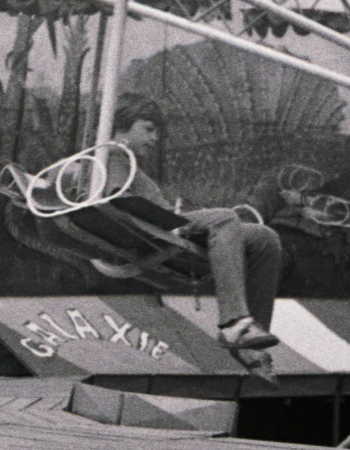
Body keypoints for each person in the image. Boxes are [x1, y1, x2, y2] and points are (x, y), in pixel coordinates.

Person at [108, 94, 283, 360]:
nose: (155, 138)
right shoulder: (114, 155)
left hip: (170, 222)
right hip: (166, 227)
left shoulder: (124, 159)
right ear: (123, 125)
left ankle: (251, 341)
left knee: (265, 238)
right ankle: (234, 323)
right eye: (148, 129)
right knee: (224, 218)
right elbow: (119, 202)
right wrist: (168, 222)